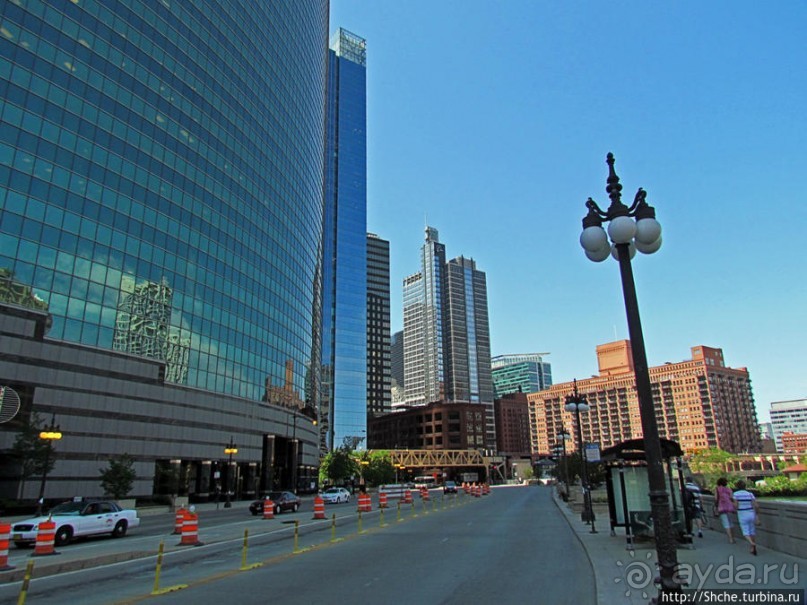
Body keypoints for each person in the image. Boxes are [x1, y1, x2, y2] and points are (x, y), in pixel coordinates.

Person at [732, 480, 760, 555]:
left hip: (742, 513)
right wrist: (756, 515)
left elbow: (736, 506)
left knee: (745, 532)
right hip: (751, 513)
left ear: (737, 486)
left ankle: (752, 543)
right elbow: (756, 505)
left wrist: (732, 505)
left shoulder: (735, 494)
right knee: (752, 531)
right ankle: (752, 547)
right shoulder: (750, 494)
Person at [715, 477, 735, 544]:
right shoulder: (729, 489)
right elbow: (732, 498)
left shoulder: (717, 489)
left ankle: (730, 539)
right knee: (731, 522)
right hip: (729, 507)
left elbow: (716, 499)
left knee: (726, 524)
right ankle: (733, 537)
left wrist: (716, 507)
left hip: (722, 508)